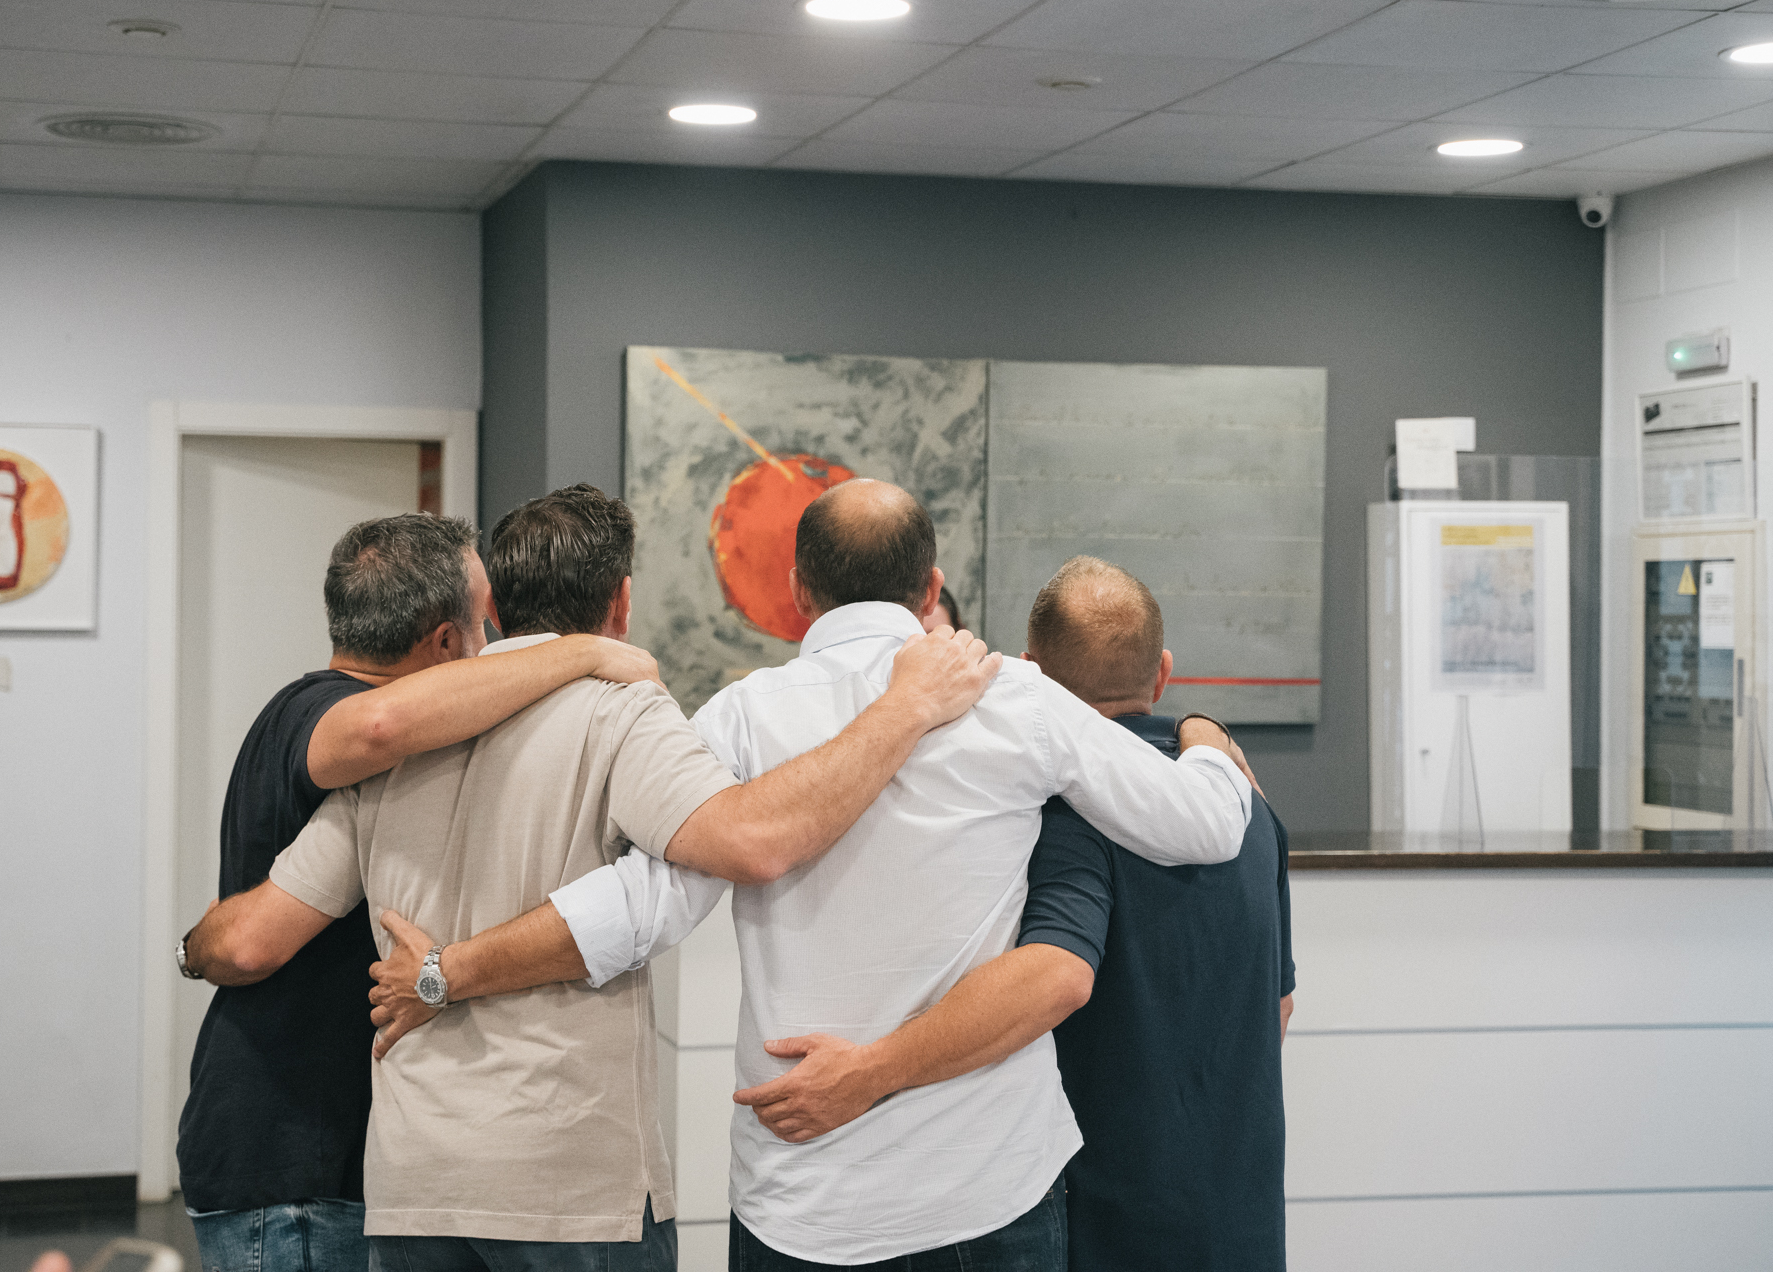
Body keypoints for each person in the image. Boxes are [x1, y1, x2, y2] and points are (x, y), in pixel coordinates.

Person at [185, 484, 1001, 1271]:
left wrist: (190, 949)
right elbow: (752, 841)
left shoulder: (402, 745)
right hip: (566, 1178)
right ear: (622, 601)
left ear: (496, 607)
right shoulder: (621, 712)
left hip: (414, 1183)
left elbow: (258, 928)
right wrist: (906, 708)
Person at [525, 480, 1255, 1270]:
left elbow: (643, 909)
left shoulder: (740, 718)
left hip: (807, 1196)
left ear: (799, 591)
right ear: (931, 588)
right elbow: (1208, 825)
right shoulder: (1016, 699)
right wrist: (1205, 734)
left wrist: (461, 966)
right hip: (991, 1188)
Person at [737, 556, 1297, 1272]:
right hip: (1240, 1209)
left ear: (1032, 673)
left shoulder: (1065, 817)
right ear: (1161, 674)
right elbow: (1277, 1008)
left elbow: (1057, 976)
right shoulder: (1251, 807)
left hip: (1110, 1213)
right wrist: (1202, 729)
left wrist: (869, 1071)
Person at [173, 512, 663, 1272]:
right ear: (442, 643)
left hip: (314, 1150)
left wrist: (193, 944)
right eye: (482, 628)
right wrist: (585, 650)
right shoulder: (323, 714)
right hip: (292, 1151)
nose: (489, 645)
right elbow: (246, 942)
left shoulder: (359, 734)